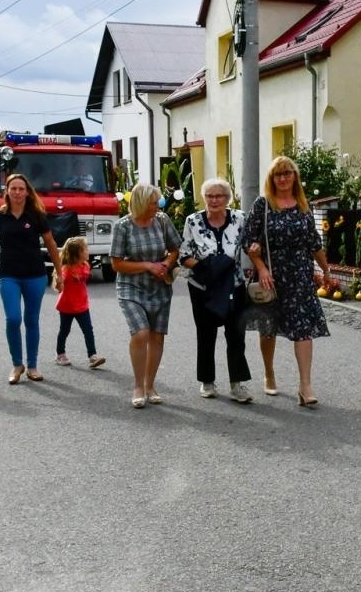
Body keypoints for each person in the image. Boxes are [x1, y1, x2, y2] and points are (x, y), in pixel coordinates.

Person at [246, 155, 337, 406]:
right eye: (278, 174)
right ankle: (269, 373)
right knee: (268, 329)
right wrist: (261, 268)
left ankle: (305, 386)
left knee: (303, 330)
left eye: (287, 173)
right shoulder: (262, 205)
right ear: (272, 178)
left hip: (300, 276)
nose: (283, 178)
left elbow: (314, 242)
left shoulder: (302, 204)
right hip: (271, 277)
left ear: (294, 177)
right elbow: (248, 240)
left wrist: (326, 270)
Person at [0, 173, 64, 384]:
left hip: (35, 274)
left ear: (27, 192)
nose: (17, 192)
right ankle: (17, 364)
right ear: (7, 191)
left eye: (21, 189)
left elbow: (51, 245)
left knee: (31, 320)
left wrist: (60, 273)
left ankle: (32, 366)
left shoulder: (37, 215)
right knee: (13, 319)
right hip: (9, 274)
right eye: (13, 188)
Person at [180, 177, 252, 403]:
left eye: (219, 196)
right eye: (209, 196)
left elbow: (250, 244)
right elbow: (184, 255)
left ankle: (237, 384)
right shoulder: (193, 221)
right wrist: (206, 268)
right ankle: (207, 381)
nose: (214, 200)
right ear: (204, 198)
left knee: (236, 335)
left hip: (235, 285)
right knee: (206, 333)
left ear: (227, 199)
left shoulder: (239, 218)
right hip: (203, 286)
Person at [110, 183, 180, 408]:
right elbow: (117, 263)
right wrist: (149, 266)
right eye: (153, 202)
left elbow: (175, 248)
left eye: (157, 202)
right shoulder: (123, 226)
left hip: (159, 286)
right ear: (141, 202)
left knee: (157, 336)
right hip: (131, 287)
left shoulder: (162, 220)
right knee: (141, 333)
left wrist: (166, 264)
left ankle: (150, 385)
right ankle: (138, 386)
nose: (156, 206)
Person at [54, 236, 105, 369]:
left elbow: (84, 277)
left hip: (82, 305)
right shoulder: (66, 269)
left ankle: (92, 356)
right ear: (77, 253)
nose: (88, 251)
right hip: (67, 306)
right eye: (85, 249)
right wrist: (59, 282)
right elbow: (59, 284)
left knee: (88, 330)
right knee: (64, 330)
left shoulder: (85, 266)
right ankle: (60, 353)